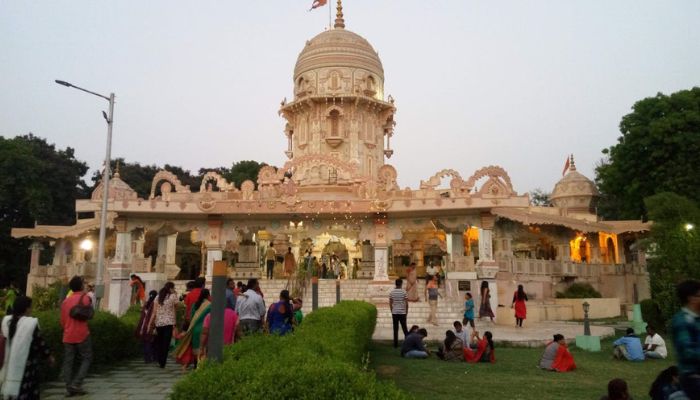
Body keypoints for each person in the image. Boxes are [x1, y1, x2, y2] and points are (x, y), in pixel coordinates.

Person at [0, 296, 53, 399]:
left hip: (9, 363)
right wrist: (49, 357)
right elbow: (40, 343)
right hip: (27, 366)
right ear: (26, 308)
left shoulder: (6, 321)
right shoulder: (30, 324)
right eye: (30, 307)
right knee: (27, 392)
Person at [60, 276, 93, 396]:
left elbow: (62, 321)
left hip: (68, 335)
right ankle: (77, 383)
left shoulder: (65, 301)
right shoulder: (86, 298)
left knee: (68, 361)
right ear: (80, 286)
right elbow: (90, 314)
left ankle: (69, 387)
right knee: (87, 358)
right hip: (82, 334)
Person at [672, 279, 700, 398]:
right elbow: (686, 352)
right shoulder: (682, 321)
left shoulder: (696, 319)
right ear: (691, 298)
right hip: (693, 377)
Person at [174, 288, 211, 369]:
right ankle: (202, 367)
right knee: (203, 348)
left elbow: (190, 318)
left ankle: (195, 366)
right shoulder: (210, 305)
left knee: (195, 349)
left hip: (194, 329)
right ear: (208, 295)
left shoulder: (195, 304)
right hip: (205, 329)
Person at [149, 281, 178, 368]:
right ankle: (163, 362)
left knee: (159, 341)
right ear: (171, 288)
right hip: (169, 323)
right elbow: (176, 308)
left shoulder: (157, 297)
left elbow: (154, 312)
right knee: (166, 343)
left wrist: (150, 323)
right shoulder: (173, 296)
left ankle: (159, 359)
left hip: (159, 323)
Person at [135, 290, 158, 363]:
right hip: (152, 325)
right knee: (153, 343)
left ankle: (147, 358)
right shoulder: (156, 304)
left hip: (143, 325)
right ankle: (154, 357)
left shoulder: (146, 304)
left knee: (145, 342)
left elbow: (142, 317)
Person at [389, 279, 409, 348]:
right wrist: (406, 312)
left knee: (395, 328)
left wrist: (392, 310)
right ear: (401, 284)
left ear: (395, 284)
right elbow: (406, 303)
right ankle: (407, 343)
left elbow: (390, 303)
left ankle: (395, 344)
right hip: (402, 312)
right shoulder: (404, 292)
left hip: (395, 312)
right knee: (405, 328)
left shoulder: (392, 292)